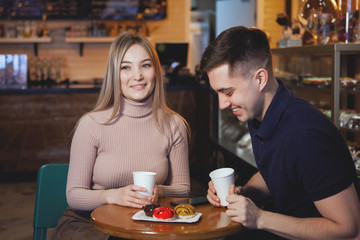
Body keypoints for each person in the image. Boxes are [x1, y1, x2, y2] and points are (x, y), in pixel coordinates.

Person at [201, 26, 360, 240]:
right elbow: (275, 171)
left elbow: (349, 230)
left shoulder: (304, 134)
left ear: (259, 79)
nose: (222, 104)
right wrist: (241, 195)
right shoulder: (259, 114)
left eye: (228, 92)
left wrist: (259, 218)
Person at [52, 31, 191, 240]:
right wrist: (113, 195)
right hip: (89, 223)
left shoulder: (174, 125)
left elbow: (184, 192)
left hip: (146, 224)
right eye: (126, 67)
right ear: (114, 75)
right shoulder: (91, 125)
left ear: (156, 71)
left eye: (145, 65)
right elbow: (74, 196)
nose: (137, 76)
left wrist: (160, 191)